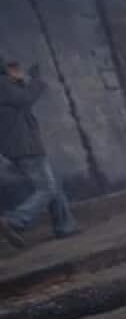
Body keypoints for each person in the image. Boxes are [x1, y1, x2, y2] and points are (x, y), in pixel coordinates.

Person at [0, 57, 77, 248]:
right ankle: (15, 220)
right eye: (11, 68)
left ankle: (65, 226)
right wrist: (34, 79)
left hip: (20, 144)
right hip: (23, 145)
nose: (15, 70)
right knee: (47, 188)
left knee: (53, 184)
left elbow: (20, 100)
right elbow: (25, 98)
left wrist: (23, 80)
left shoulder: (7, 86)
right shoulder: (2, 84)